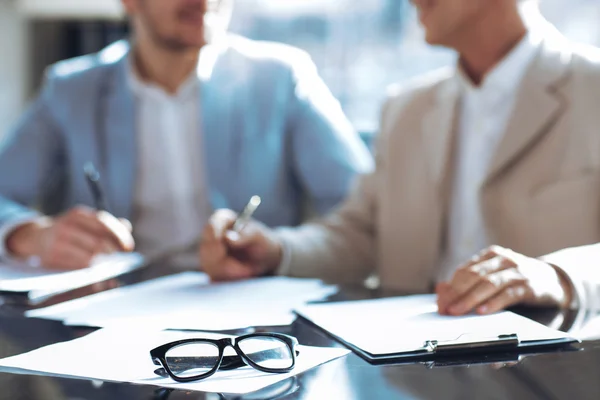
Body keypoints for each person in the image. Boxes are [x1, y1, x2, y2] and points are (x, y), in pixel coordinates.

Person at [200, 0, 600, 315]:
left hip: (548, 374)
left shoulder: (591, 89)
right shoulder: (406, 109)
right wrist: (273, 251)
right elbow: (358, 236)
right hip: (415, 376)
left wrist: (557, 276)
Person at [0, 0, 373, 271]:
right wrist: (31, 236)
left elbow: (362, 208)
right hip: (112, 315)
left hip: (252, 316)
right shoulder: (71, 89)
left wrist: (279, 250)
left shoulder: (280, 78)